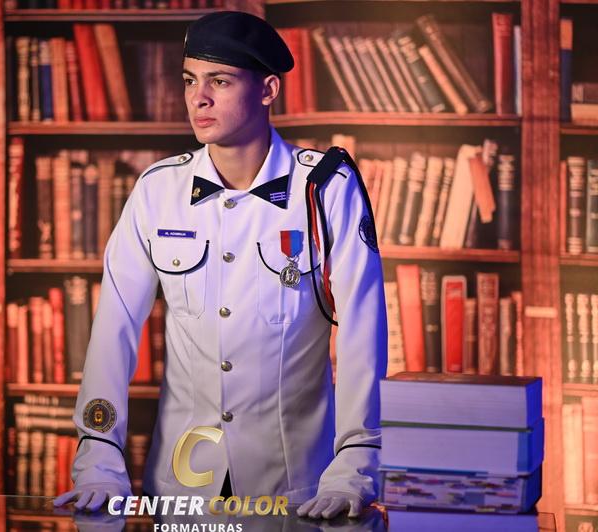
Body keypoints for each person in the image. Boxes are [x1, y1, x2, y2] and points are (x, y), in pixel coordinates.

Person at [53, 10, 387, 522]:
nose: (198, 98)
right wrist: (98, 459)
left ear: (268, 89)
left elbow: (363, 333)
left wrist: (355, 466)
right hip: (182, 491)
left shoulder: (325, 190)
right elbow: (114, 331)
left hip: (298, 492)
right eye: (190, 80)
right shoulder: (158, 190)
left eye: (220, 81)